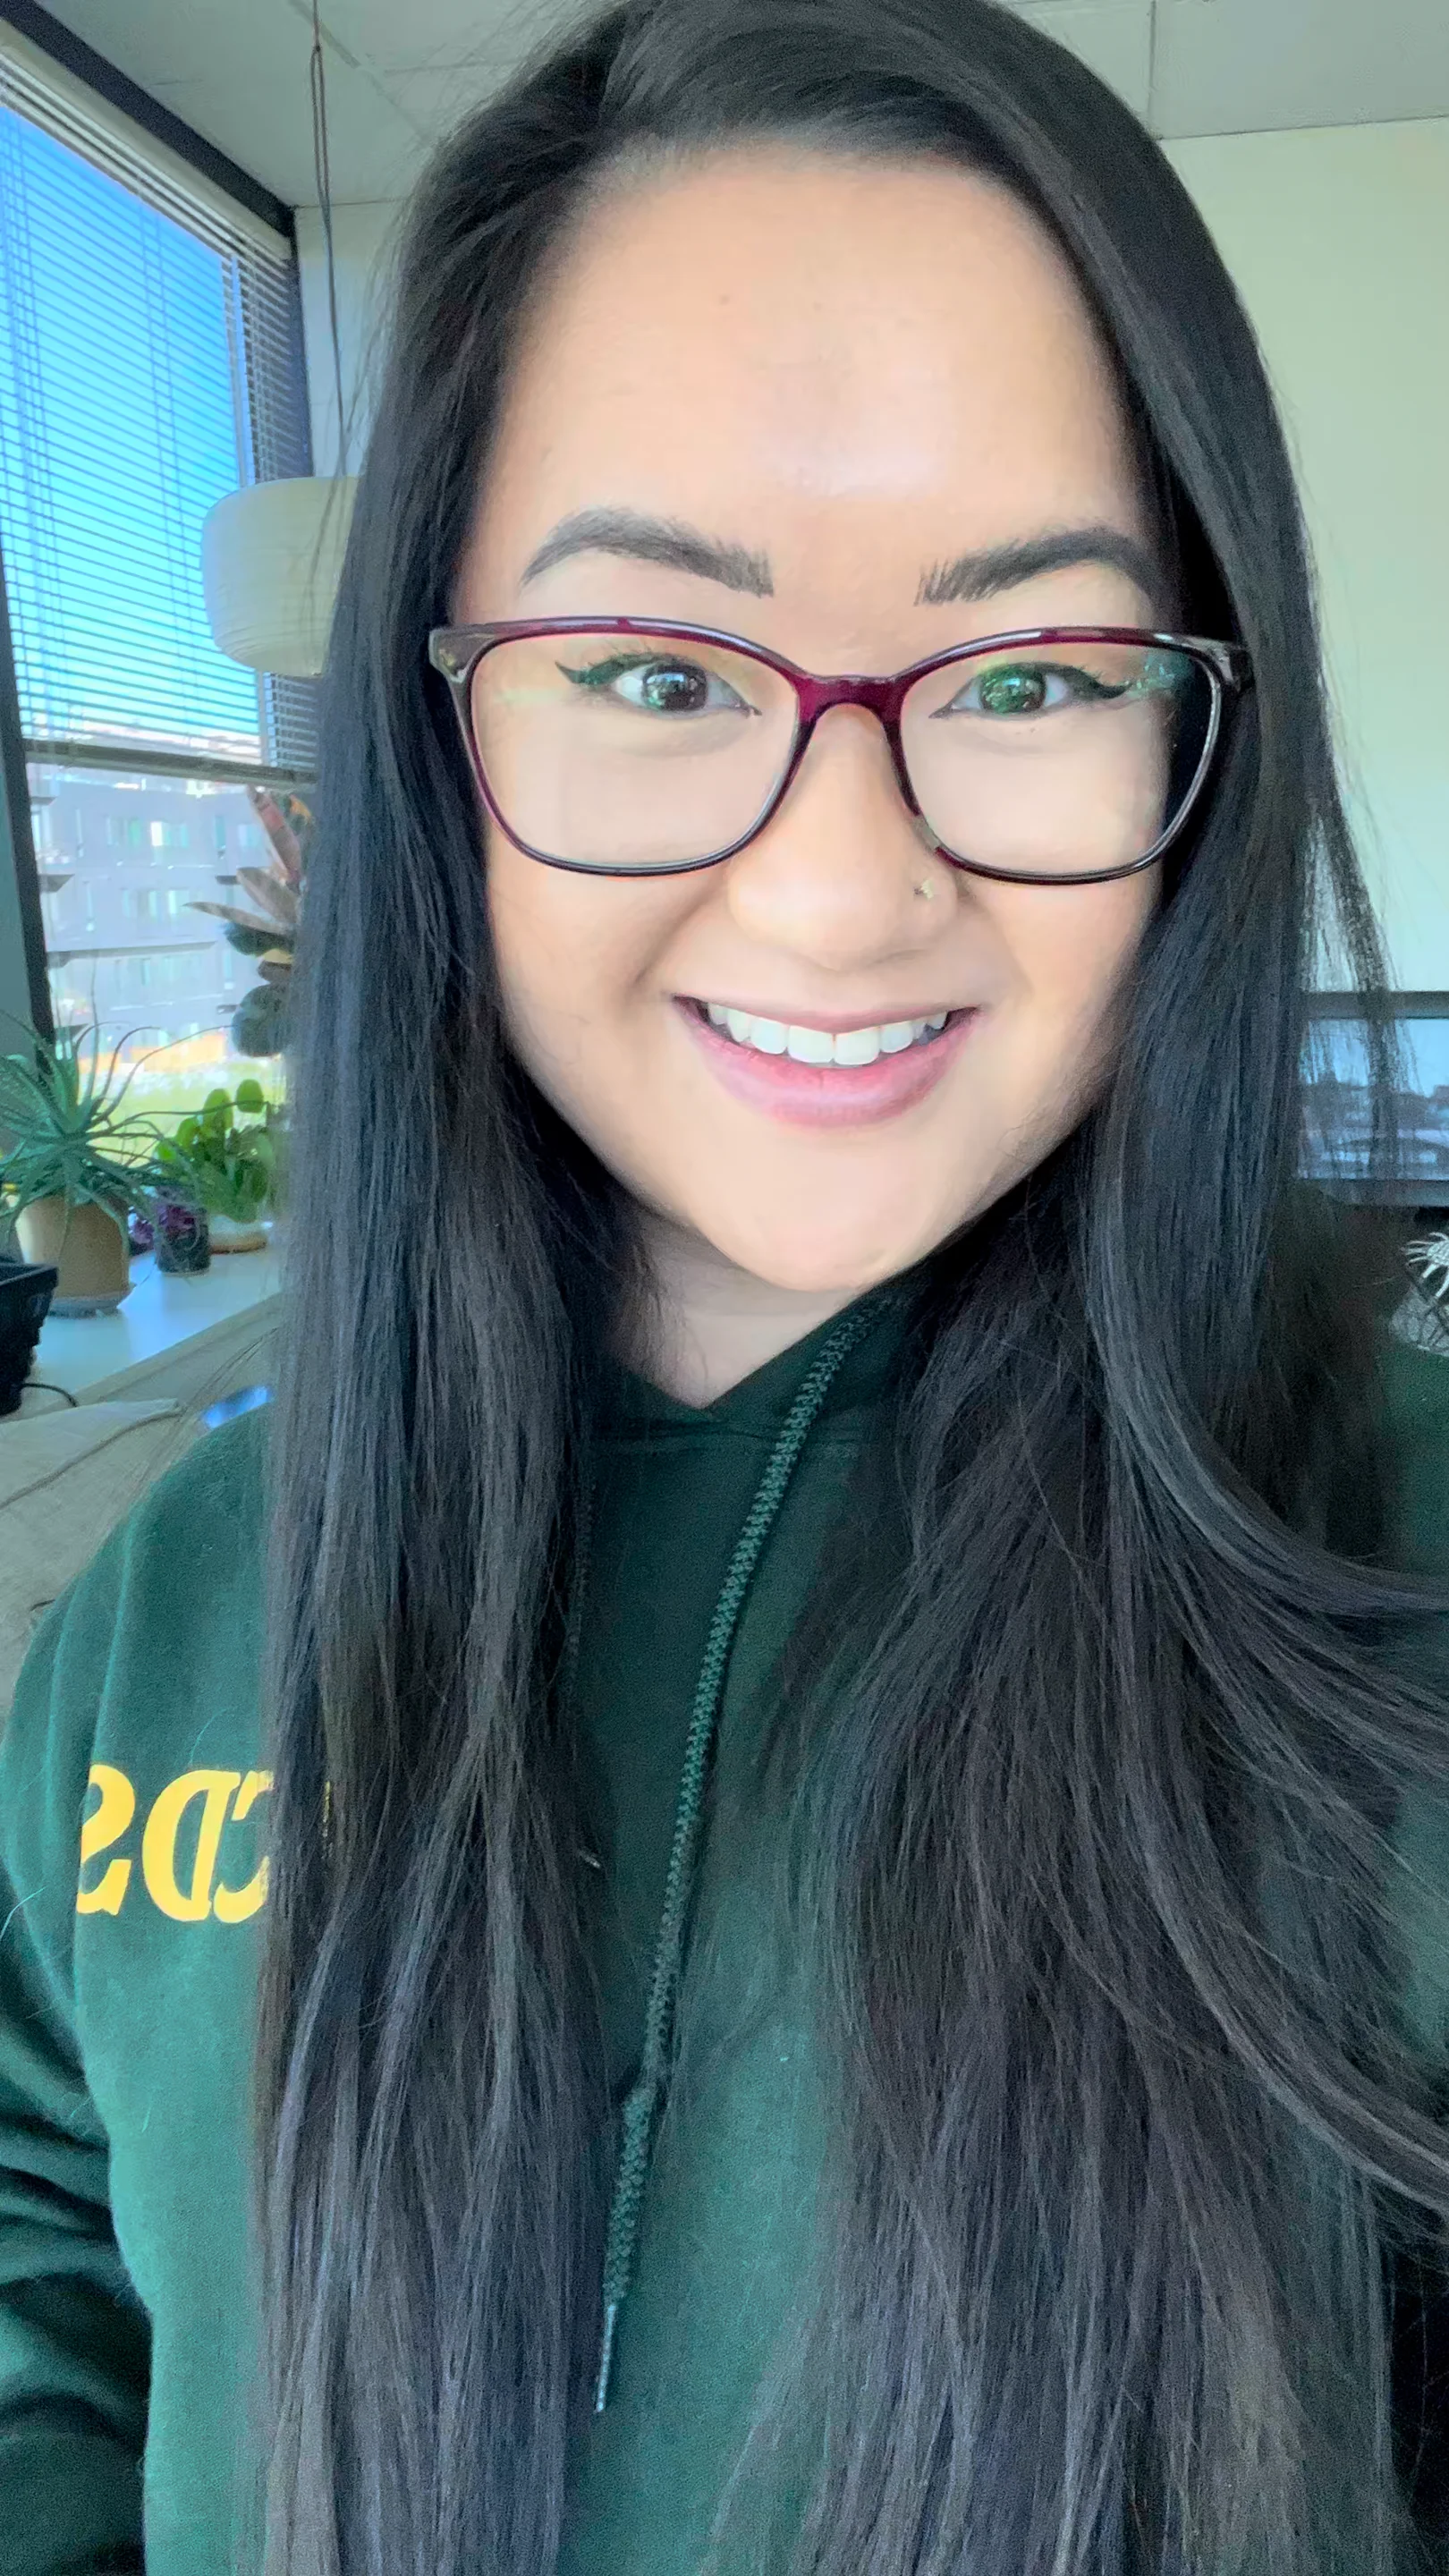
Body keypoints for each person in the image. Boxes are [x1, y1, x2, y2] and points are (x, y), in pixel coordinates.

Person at [4, 1, 1449, 2571]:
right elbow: (43, 2237)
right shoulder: (177, 1611)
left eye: (1030, 676)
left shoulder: (1396, 1577)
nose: (840, 893)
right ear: (439, 742)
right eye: (656, 674)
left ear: (1194, 741)